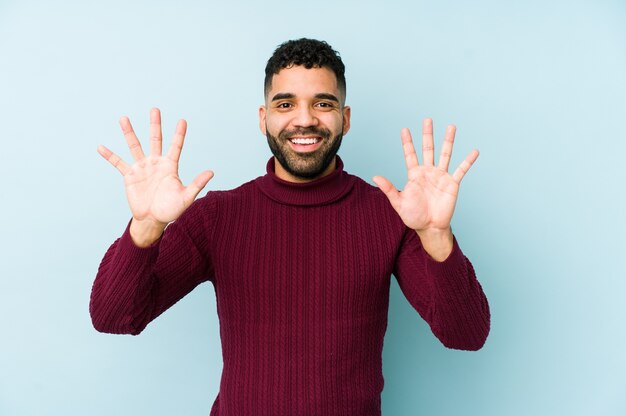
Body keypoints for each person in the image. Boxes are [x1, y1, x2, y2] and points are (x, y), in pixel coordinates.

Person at [90, 38, 490, 416]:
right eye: (285, 104)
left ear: (345, 119)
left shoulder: (391, 215)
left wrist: (437, 236)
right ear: (263, 118)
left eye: (323, 103)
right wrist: (145, 227)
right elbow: (114, 317)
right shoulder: (217, 217)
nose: (304, 120)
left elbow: (466, 334)